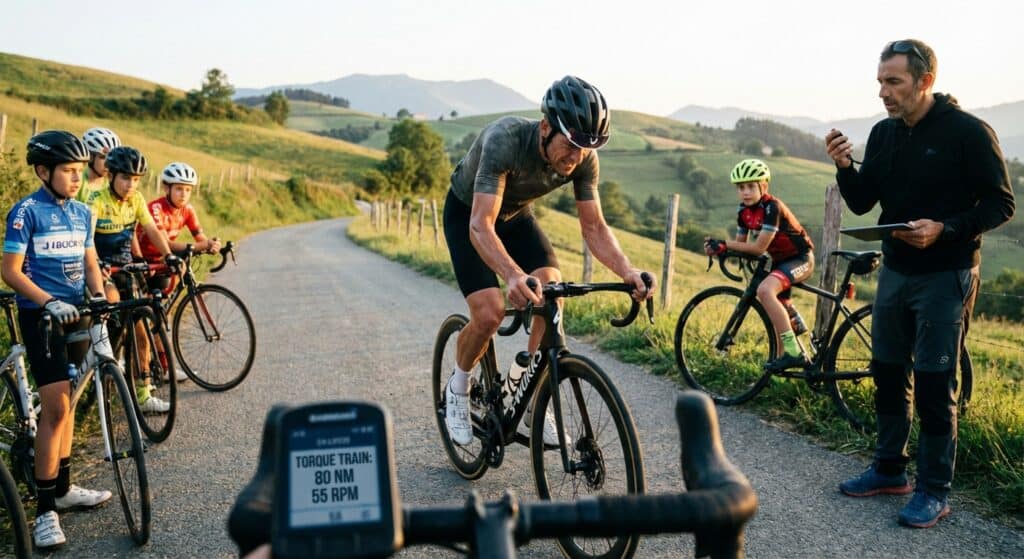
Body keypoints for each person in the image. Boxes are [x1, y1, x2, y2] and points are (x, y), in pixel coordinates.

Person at [824, 39, 1015, 528]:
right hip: (896, 270)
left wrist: (945, 228)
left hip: (946, 273)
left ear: (924, 81)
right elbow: (865, 203)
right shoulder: (885, 135)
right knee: (887, 369)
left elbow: (1000, 204)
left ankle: (934, 489)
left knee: (934, 380)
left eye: (894, 82)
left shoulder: (969, 132)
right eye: (880, 82)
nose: (884, 92)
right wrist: (846, 168)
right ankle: (890, 470)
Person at [442, 75, 654, 446]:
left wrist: (628, 271)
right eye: (570, 144)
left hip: (515, 216)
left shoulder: (585, 160)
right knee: (490, 312)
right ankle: (457, 388)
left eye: (586, 148)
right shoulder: (504, 140)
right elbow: (481, 225)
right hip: (469, 216)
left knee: (551, 287)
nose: (576, 156)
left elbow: (595, 229)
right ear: (545, 127)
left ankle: (525, 384)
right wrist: (511, 275)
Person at [2, 130, 113, 548]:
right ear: (42, 170)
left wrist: (99, 297)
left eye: (80, 171)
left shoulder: (84, 213)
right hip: (42, 317)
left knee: (68, 403)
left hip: (77, 313)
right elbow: (10, 271)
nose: (76, 179)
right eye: (68, 171)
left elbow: (90, 263)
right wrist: (48, 302)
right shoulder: (26, 211)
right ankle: (45, 512)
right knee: (56, 409)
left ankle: (64, 489)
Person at [83, 145, 177, 413]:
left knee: (142, 330)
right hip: (101, 270)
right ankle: (103, 370)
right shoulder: (96, 199)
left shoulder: (136, 200)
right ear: (111, 175)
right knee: (111, 304)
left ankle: (143, 393)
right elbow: (87, 238)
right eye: (125, 178)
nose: (130, 185)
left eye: (136, 180)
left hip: (125, 270)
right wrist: (97, 263)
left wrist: (168, 255)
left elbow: (152, 229)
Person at [703, 158, 815, 370]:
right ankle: (783, 361)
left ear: (763, 186)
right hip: (780, 262)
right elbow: (741, 245)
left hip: (801, 259)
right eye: (740, 187)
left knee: (764, 291)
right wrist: (718, 250)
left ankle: (793, 352)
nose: (745, 192)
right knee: (774, 307)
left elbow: (757, 248)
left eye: (751, 186)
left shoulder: (772, 207)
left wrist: (725, 244)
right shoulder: (743, 212)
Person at [137, 162, 220, 382]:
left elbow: (199, 237)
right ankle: (139, 362)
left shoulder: (188, 210)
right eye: (179, 188)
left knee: (163, 313)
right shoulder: (155, 208)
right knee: (148, 314)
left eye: (188, 189)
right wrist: (197, 247)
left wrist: (211, 245)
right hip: (144, 261)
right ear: (167, 188)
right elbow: (165, 243)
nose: (184, 194)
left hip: (166, 263)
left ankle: (162, 367)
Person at [77, 127, 122, 203]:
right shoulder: (78, 183)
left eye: (112, 158)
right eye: (103, 157)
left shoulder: (114, 184)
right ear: (90, 157)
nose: (108, 163)